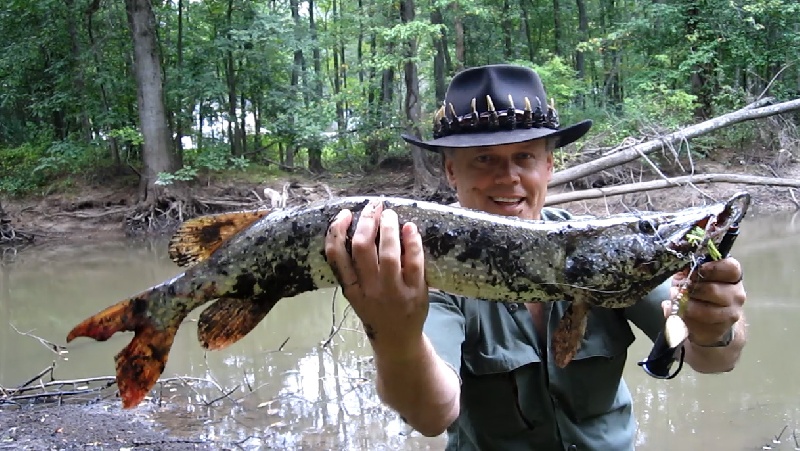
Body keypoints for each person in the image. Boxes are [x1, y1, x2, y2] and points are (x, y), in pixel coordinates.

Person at [323, 64, 747, 450]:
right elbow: (432, 415)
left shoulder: (603, 250)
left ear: (548, 164)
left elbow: (715, 359)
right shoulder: (427, 260)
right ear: (452, 172)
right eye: (484, 159)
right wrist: (396, 339)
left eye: (524, 156)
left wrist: (716, 325)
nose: (507, 177)